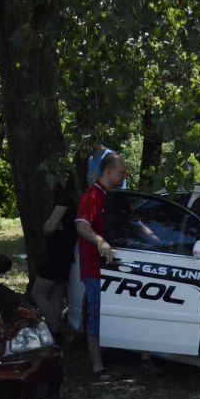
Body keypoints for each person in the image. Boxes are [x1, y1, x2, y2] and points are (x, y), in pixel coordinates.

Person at [76, 151, 125, 379]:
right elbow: (82, 226)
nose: (124, 176)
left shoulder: (114, 197)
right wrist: (100, 241)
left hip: (119, 267)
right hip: (96, 268)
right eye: (121, 171)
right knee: (96, 312)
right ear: (108, 171)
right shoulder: (92, 196)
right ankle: (97, 366)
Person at [31, 182, 78, 345]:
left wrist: (48, 224)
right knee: (56, 294)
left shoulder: (62, 204)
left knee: (38, 293)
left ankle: (55, 331)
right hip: (67, 255)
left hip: (56, 254)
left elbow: (49, 228)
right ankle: (56, 329)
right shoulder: (77, 206)